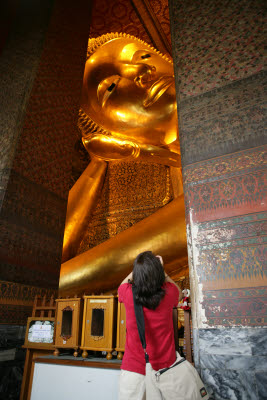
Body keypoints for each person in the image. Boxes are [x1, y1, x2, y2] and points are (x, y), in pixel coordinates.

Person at [59, 33, 188, 297]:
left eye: (143, 56)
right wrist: (99, 163)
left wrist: (150, 153)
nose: (141, 70)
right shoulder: (111, 168)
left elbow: (207, 210)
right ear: (106, 131)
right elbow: (50, 257)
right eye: (111, 88)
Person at [118, 251, 182, 400]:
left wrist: (138, 269)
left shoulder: (127, 293)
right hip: (166, 368)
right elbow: (179, 292)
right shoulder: (169, 293)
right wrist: (162, 271)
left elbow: (120, 286)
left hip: (133, 368)